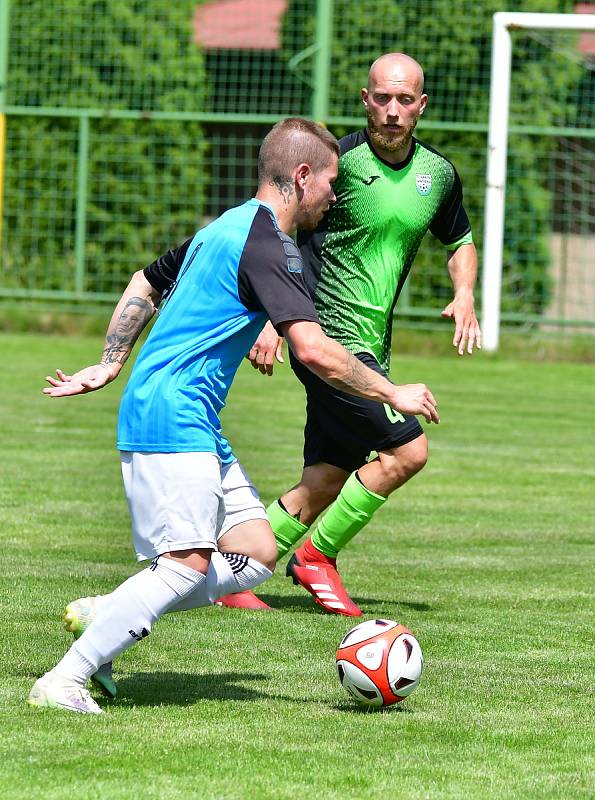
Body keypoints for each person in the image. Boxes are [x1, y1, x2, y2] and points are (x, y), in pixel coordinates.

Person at [28, 117, 439, 714]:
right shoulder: (266, 242)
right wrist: (392, 392)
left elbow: (146, 280)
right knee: (186, 565)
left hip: (192, 416)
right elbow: (314, 349)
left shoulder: (226, 226)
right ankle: (64, 678)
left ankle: (111, 610)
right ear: (301, 176)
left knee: (256, 553)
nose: (334, 195)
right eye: (330, 182)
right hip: (170, 415)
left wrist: (110, 361)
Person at [218, 53, 481, 616]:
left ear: (421, 105)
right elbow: (280, 235)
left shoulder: (439, 175)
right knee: (408, 451)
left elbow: (460, 241)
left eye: (403, 100)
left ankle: (227, 575)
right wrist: (272, 317)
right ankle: (317, 557)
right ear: (365, 99)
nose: (391, 111)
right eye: (381, 98)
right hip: (331, 341)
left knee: (326, 479)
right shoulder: (335, 164)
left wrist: (464, 293)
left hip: (373, 345)